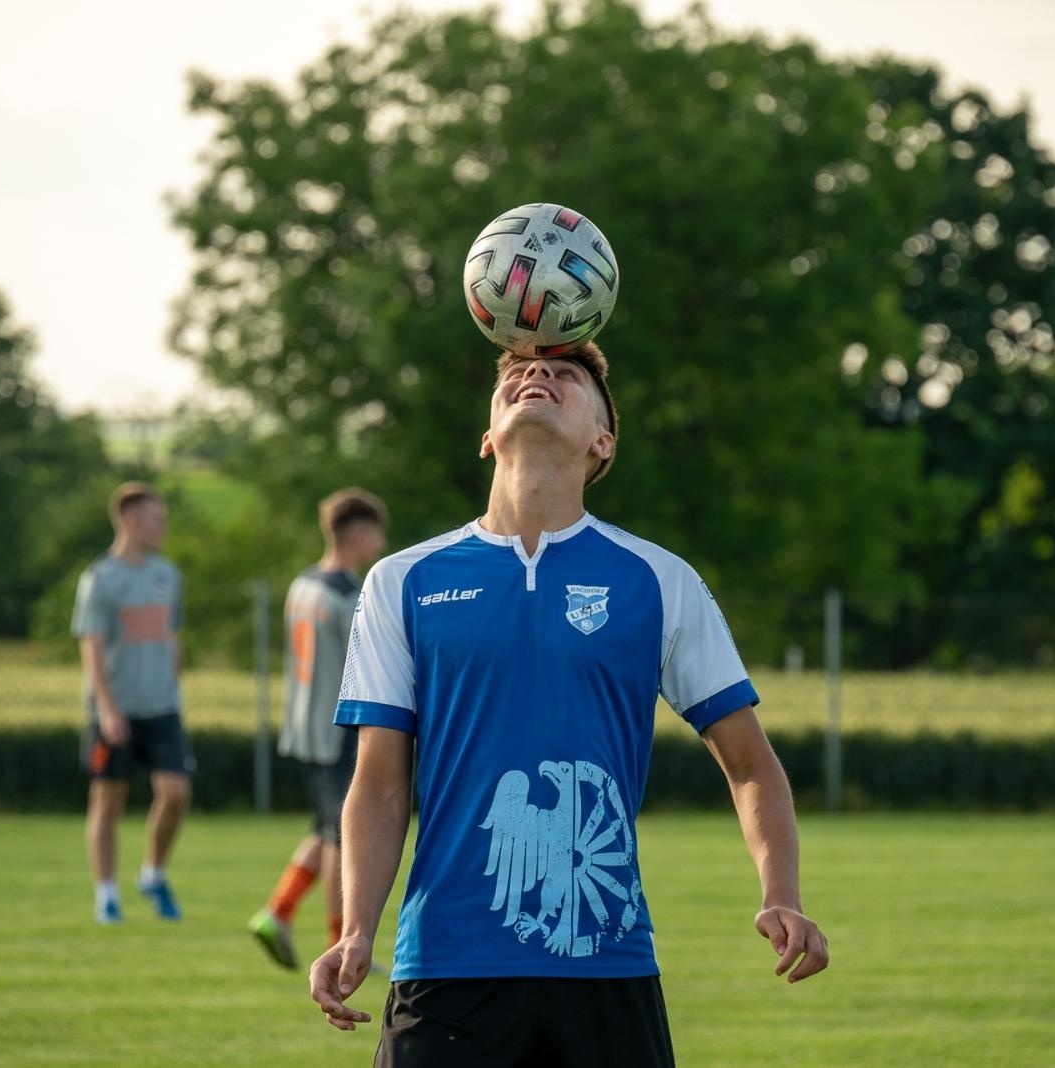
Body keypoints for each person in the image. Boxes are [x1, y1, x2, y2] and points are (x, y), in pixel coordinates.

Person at [309, 343, 829, 1065]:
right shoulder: (402, 581)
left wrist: (783, 892)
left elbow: (749, 764)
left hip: (606, 965)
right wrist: (357, 928)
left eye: (566, 374)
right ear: (489, 436)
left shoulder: (659, 580)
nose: (536, 375)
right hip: (446, 966)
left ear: (602, 442)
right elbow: (380, 781)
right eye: (517, 373)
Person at [249, 488, 389, 970]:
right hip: (338, 728)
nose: (382, 540)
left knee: (321, 826)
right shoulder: (350, 595)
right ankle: (341, 942)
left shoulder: (302, 585)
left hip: (303, 724)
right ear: (357, 533)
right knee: (341, 835)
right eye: (376, 529)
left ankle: (277, 912)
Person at [72, 481, 191, 925]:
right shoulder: (100, 579)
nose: (162, 525)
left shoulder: (168, 575)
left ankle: (153, 873)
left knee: (176, 793)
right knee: (108, 802)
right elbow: (91, 648)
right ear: (128, 520)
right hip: (115, 711)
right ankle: (106, 894)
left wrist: (173, 676)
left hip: (162, 708)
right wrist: (107, 709)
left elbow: (173, 636)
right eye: (154, 518)